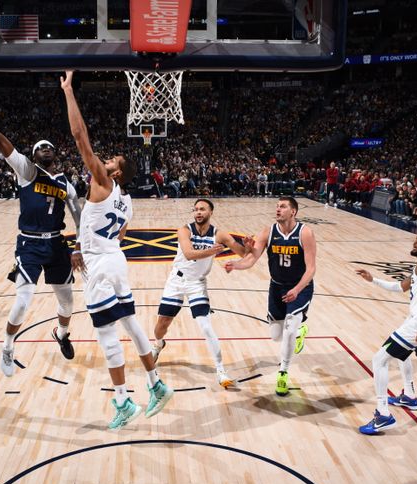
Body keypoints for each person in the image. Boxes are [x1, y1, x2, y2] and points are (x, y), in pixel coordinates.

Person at [0, 77, 83, 375]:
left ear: (55, 154)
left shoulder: (65, 184)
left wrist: (79, 247)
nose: (46, 148)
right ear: (32, 156)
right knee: (23, 301)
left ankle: (61, 334)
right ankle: (7, 345)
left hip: (57, 244)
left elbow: (79, 218)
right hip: (30, 244)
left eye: (49, 146)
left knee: (68, 304)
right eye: (40, 147)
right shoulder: (26, 171)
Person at [61, 70, 173, 429]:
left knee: (107, 334)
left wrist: (68, 92)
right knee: (130, 323)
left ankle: (124, 402)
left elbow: (80, 138)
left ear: (117, 173)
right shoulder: (127, 201)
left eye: (112, 162)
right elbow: (116, 234)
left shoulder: (104, 183)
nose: (106, 161)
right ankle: (156, 385)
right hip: (116, 260)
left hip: (101, 265)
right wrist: (83, 243)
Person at [354, 230, 417, 435]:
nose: (415, 241)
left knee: (379, 360)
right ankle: (409, 396)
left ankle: (383, 415)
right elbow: (400, 287)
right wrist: (373, 280)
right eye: (416, 238)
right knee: (401, 356)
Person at [151, 199, 249, 388]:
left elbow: (244, 253)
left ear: (210, 212)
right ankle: (158, 344)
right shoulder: (184, 230)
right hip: (177, 280)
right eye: (195, 209)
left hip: (197, 283)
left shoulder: (219, 234)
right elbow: (188, 253)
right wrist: (212, 250)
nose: (198, 212)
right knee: (162, 324)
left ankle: (221, 371)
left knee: (205, 326)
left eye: (202, 209)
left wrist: (249, 246)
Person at [224, 197, 315, 396]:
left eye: (283, 206)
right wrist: (235, 265)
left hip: (300, 287)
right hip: (276, 287)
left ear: (293, 212)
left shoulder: (305, 233)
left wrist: (298, 289)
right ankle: (301, 330)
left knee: (290, 330)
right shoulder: (268, 231)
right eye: (277, 206)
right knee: (276, 336)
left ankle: (283, 372)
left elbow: (311, 269)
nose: (278, 209)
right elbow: (250, 259)